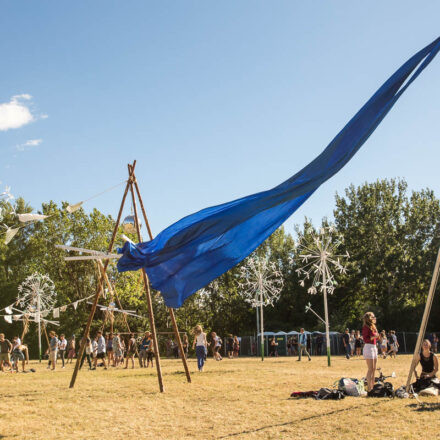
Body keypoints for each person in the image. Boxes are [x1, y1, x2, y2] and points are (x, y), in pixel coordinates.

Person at [362, 312, 379, 391]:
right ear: (369, 318)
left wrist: (376, 334)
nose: (375, 318)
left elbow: (376, 337)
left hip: (374, 347)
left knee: (374, 368)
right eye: (373, 317)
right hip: (369, 347)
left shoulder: (373, 326)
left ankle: (373, 386)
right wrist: (374, 336)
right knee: (370, 369)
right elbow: (366, 339)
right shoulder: (366, 327)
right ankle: (369, 388)